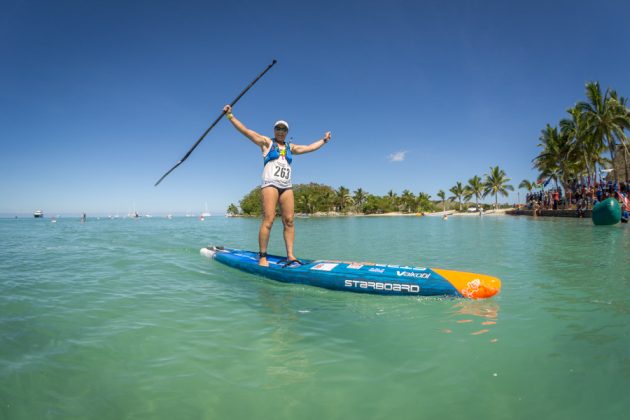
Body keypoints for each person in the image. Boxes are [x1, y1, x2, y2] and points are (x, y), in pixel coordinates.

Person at [223, 104, 331, 267]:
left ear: (287, 132)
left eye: (284, 129)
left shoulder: (290, 147)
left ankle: (290, 256)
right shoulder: (266, 143)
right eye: (278, 128)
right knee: (269, 220)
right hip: (270, 185)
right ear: (274, 130)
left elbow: (309, 148)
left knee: (289, 221)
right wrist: (230, 116)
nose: (281, 131)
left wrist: (324, 140)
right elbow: (246, 131)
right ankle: (263, 256)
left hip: (287, 187)